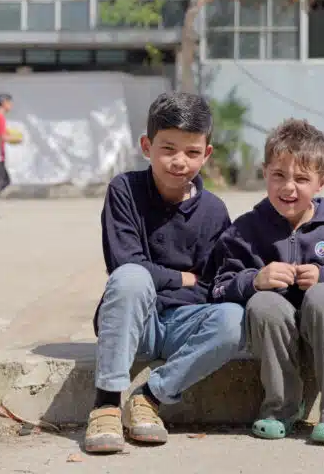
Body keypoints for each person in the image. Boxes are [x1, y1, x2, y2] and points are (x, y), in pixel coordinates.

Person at [85, 92, 245, 454]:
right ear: (147, 146)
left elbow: (210, 286)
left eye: (191, 153)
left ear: (206, 154)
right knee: (130, 279)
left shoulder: (215, 212)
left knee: (233, 318)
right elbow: (126, 264)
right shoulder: (123, 190)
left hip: (182, 324)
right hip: (134, 322)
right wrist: (181, 278)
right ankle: (107, 402)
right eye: (168, 149)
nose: (179, 162)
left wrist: (175, 281)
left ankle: (149, 396)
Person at [210, 119, 324, 445]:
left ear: (321, 182)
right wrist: (254, 281)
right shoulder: (245, 231)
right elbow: (219, 287)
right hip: (274, 335)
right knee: (263, 303)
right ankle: (282, 407)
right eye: (278, 175)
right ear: (264, 173)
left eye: (302, 178)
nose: (288, 187)